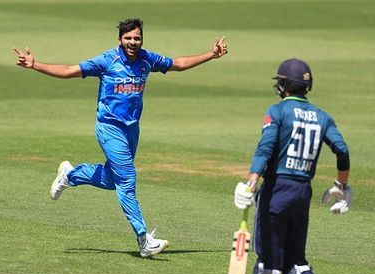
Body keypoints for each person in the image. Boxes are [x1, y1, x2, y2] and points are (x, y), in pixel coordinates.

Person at [13, 18, 228, 258]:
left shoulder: (147, 59)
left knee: (112, 179)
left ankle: (71, 175)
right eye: (128, 38)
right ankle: (144, 239)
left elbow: (178, 64)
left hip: (131, 130)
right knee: (127, 180)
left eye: (137, 38)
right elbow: (68, 71)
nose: (133, 42)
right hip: (109, 128)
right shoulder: (108, 61)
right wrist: (35, 65)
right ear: (120, 40)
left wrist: (211, 54)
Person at [234, 58, 351, 274]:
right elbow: (342, 149)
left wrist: (250, 183)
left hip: (276, 192)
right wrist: (341, 185)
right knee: (296, 262)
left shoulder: (277, 112)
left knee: (268, 263)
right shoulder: (322, 116)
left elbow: (265, 149)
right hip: (302, 193)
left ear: (283, 84)